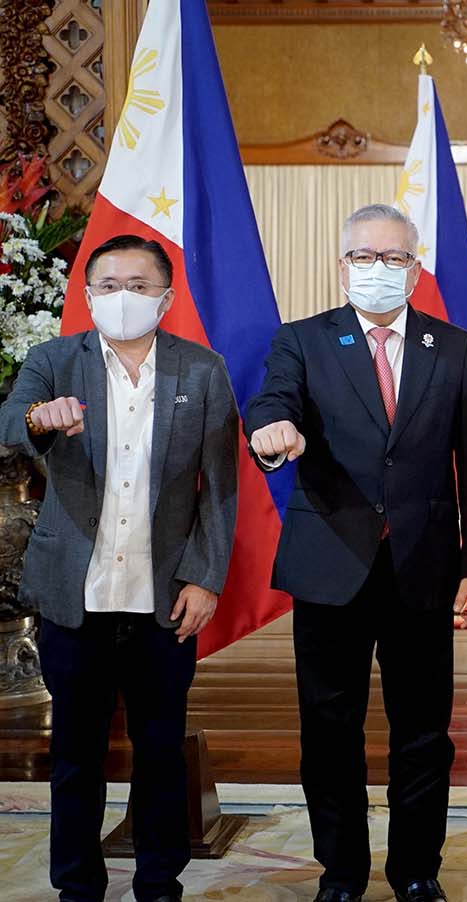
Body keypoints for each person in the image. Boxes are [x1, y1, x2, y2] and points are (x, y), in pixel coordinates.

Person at [245, 204, 467, 902]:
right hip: (331, 565)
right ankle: (342, 874)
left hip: (424, 569)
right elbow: (273, 403)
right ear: (342, 265)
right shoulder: (302, 340)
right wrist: (272, 432)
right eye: (365, 256)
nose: (378, 269)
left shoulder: (453, 347)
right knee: (331, 733)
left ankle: (417, 872)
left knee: (424, 734)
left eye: (394, 259)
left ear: (415, 270)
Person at [0, 234, 238, 901]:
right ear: (87, 295)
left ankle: (160, 883)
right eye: (107, 285)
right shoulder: (54, 360)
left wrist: (207, 577)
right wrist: (38, 421)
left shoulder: (201, 371)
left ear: (165, 298)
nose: (122, 297)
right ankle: (78, 886)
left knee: (160, 754)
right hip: (75, 596)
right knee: (76, 757)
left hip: (163, 598)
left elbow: (219, 487)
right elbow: (9, 421)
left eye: (138, 285)